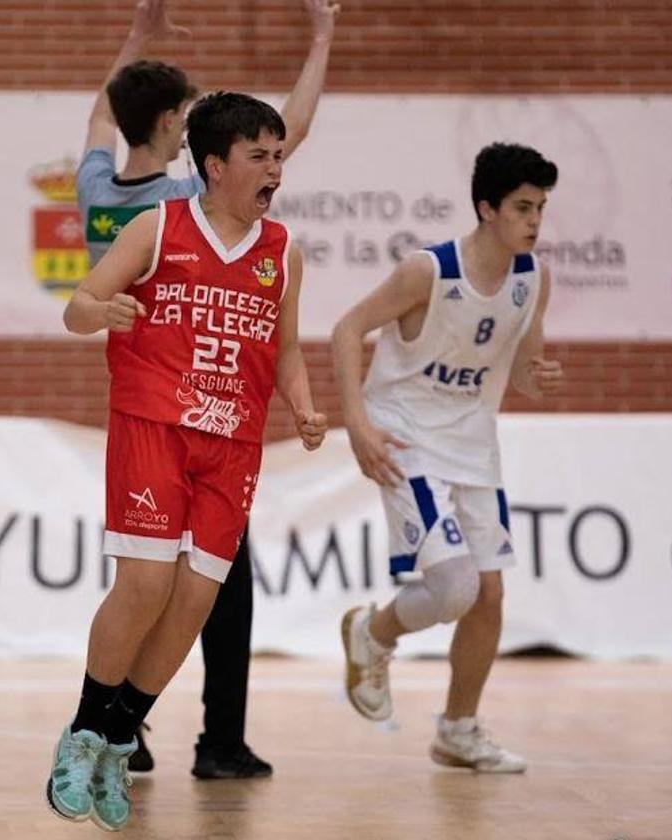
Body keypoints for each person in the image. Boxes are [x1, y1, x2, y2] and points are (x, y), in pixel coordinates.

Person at [47, 92, 327, 831]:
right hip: (154, 423)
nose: (275, 168)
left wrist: (300, 403)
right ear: (215, 165)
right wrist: (99, 311)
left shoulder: (284, 251)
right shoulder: (158, 225)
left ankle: (116, 737)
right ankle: (81, 732)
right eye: (260, 155)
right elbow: (77, 303)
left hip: (231, 440)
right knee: (144, 585)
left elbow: (287, 348)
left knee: (196, 602)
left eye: (278, 155)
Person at [332, 142, 563, 773]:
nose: (535, 221)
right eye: (523, 207)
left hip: (473, 446)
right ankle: (374, 634)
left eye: (541, 207)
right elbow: (347, 330)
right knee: (457, 586)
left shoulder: (531, 277)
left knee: (488, 597)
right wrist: (356, 427)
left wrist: (539, 376)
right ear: (487, 208)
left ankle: (458, 730)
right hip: (405, 436)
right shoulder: (428, 272)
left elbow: (522, 373)